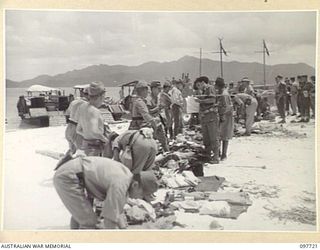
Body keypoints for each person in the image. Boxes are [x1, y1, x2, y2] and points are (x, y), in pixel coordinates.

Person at [53, 156, 158, 229]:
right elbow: (109, 221)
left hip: (76, 173)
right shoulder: (120, 185)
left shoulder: (127, 177)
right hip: (69, 176)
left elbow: (118, 211)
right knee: (89, 222)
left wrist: (123, 230)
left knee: (81, 215)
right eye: (141, 194)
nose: (139, 198)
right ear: (136, 185)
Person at [194, 76, 226, 164]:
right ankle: (208, 155)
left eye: (199, 84)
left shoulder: (210, 88)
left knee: (213, 137)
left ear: (203, 82)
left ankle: (216, 157)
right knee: (206, 139)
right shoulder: (204, 91)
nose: (199, 87)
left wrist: (200, 101)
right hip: (205, 117)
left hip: (211, 116)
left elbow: (212, 99)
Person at [76, 81, 111, 157]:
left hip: (85, 146)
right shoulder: (95, 111)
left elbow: (78, 130)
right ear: (101, 96)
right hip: (94, 148)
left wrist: (87, 135)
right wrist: (106, 141)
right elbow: (95, 132)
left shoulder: (82, 107)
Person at [64, 88, 89, 155]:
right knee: (81, 152)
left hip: (69, 127)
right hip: (77, 129)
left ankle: (64, 161)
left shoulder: (74, 102)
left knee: (72, 150)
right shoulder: (88, 104)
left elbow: (67, 113)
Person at [146, 81, 169, 152]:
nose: (160, 90)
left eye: (160, 88)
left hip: (158, 121)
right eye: (158, 88)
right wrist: (158, 108)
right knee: (151, 142)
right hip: (151, 123)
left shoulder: (158, 97)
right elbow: (148, 112)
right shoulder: (148, 99)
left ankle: (168, 155)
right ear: (152, 89)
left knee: (164, 140)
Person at [215, 78, 234, 161]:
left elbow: (226, 107)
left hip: (226, 116)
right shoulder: (221, 93)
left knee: (224, 136)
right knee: (220, 135)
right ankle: (219, 153)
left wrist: (222, 115)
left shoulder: (224, 94)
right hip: (223, 115)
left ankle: (224, 155)